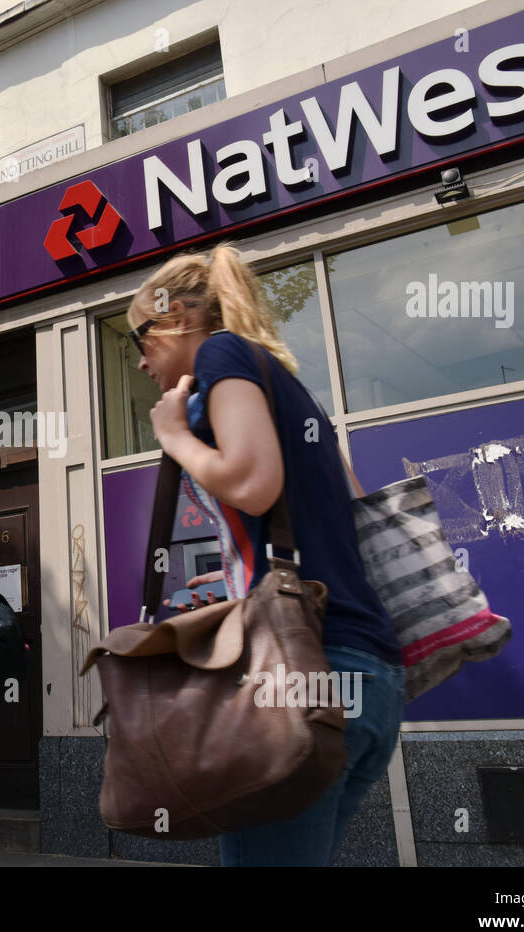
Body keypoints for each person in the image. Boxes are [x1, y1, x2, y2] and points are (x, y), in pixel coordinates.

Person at [127, 242, 405, 866]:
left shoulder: (225, 352)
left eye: (142, 338)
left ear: (181, 320)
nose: (142, 362)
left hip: (306, 669)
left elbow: (253, 483)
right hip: (370, 677)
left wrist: (173, 436)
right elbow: (355, 506)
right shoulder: (290, 392)